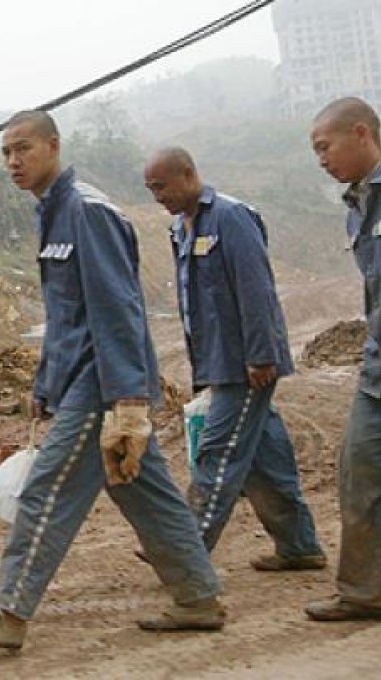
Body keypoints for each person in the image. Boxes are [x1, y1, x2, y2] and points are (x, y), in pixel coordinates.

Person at [0, 111, 224, 651]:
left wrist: (128, 402)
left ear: (53, 146)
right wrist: (45, 385)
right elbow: (66, 315)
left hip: (100, 386)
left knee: (46, 492)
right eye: (6, 153)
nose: (13, 161)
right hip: (82, 379)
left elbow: (118, 309)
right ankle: (197, 596)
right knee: (146, 492)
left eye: (23, 148)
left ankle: (10, 613)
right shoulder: (53, 213)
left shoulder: (87, 213)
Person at [142, 148, 325, 569]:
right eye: (151, 189)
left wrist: (261, 355)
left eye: (161, 186)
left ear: (187, 174)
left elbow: (256, 289)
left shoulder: (231, 218)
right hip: (216, 360)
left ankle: (184, 552)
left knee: (217, 453)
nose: (157, 197)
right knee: (265, 461)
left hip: (245, 364)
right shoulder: (180, 228)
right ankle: (300, 547)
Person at [305, 96, 381, 621]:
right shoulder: (358, 204)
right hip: (377, 368)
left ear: (361, 133)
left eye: (324, 147)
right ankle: (363, 592)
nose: (321, 160)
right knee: (359, 470)